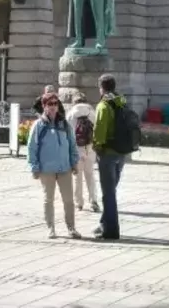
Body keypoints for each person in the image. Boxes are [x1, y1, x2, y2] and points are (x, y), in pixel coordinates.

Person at [26, 91, 81, 239]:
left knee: (68, 200)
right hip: (46, 169)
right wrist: (34, 167)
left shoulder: (64, 124)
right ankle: (51, 228)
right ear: (44, 106)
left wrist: (74, 162)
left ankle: (71, 228)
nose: (53, 107)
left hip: (64, 168)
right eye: (50, 104)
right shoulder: (39, 126)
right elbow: (32, 147)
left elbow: (72, 144)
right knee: (48, 199)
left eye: (56, 104)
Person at [92, 73, 134, 241]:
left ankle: (110, 231)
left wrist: (97, 147)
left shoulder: (103, 106)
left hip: (108, 152)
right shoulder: (121, 101)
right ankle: (103, 223)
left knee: (108, 194)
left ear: (101, 87)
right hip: (122, 152)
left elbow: (99, 131)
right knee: (111, 190)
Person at [66, 93, 100, 213]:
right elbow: (97, 130)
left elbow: (67, 134)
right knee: (90, 175)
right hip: (90, 148)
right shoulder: (92, 113)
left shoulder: (70, 114)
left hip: (76, 149)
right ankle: (93, 201)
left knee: (77, 177)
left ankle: (79, 203)